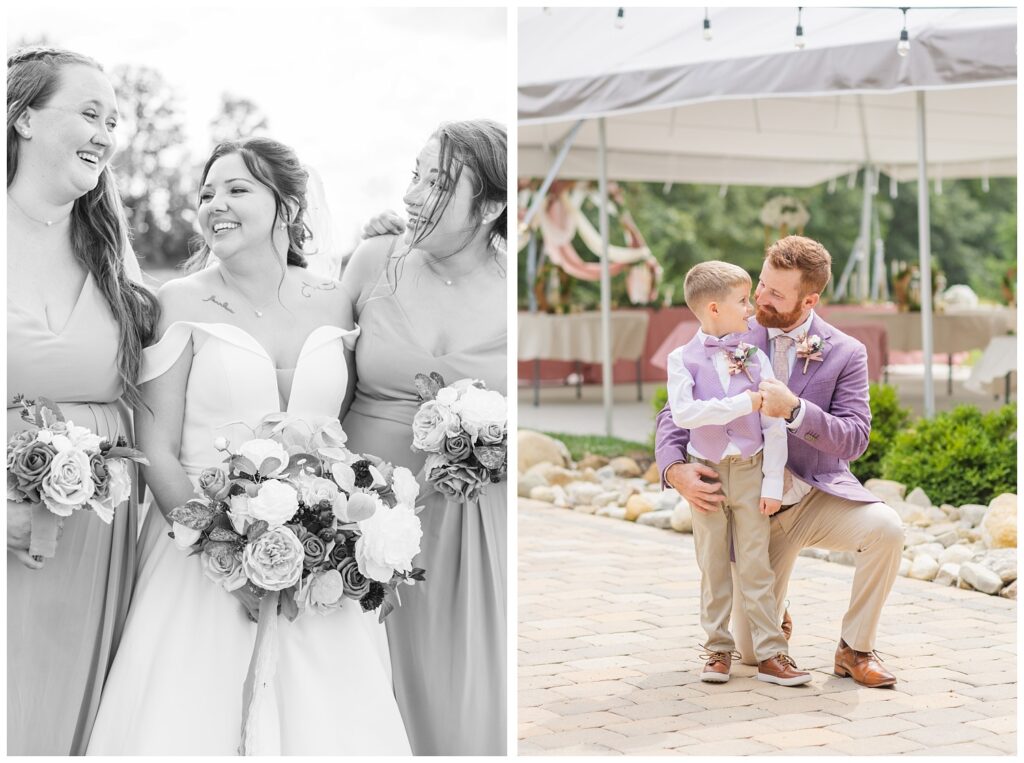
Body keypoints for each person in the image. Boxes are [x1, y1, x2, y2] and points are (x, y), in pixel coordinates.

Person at [87, 137, 410, 754]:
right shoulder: (177, 300)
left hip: (322, 555)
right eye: (208, 193)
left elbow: (334, 429)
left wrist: (337, 525)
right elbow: (155, 441)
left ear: (286, 205)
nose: (215, 205)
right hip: (198, 551)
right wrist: (224, 553)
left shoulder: (333, 298)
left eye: (238, 189)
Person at [655, 236, 903, 688]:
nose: (760, 301)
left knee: (887, 529)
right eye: (761, 285)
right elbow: (675, 411)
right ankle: (773, 607)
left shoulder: (846, 352)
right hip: (746, 502)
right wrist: (675, 469)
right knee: (750, 653)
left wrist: (795, 410)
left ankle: (855, 648)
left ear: (809, 299)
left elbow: (856, 438)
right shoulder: (729, 328)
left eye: (775, 293)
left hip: (811, 497)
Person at [6, 47, 160, 755]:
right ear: (25, 117)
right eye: (90, 113)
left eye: (114, 122)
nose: (106, 133)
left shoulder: (110, 248)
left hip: (97, 533)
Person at [342, 119, 507, 755]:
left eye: (436, 183)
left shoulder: (510, 285)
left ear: (489, 206)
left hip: (468, 524)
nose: (413, 194)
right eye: (415, 174)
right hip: (362, 512)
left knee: (454, 693)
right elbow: (309, 364)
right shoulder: (372, 260)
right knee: (359, 686)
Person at [667, 261, 810, 686]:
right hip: (706, 471)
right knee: (712, 562)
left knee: (755, 564)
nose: (750, 309)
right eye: (742, 301)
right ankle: (716, 649)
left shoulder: (756, 358)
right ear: (714, 308)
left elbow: (773, 424)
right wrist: (740, 404)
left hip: (750, 470)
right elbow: (684, 413)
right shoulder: (682, 359)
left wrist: (771, 483)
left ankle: (771, 653)